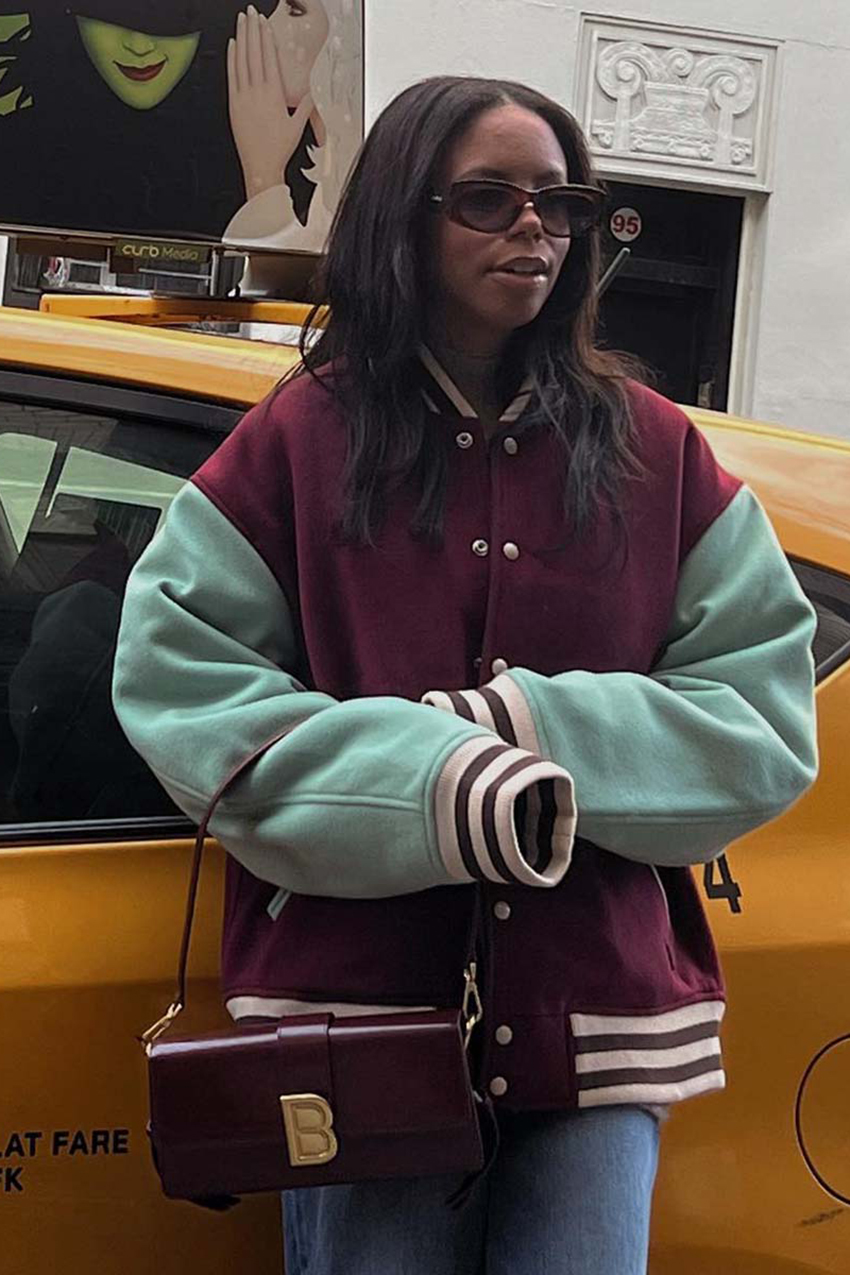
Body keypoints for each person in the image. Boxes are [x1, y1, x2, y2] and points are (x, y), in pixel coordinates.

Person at [112, 76, 818, 1275]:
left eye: (560, 202)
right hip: (359, 1017)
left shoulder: (656, 451)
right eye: (488, 199)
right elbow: (182, 685)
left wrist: (519, 729)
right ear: (406, 214)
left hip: (592, 1022)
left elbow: (761, 720)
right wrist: (434, 779)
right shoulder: (301, 439)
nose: (534, 228)